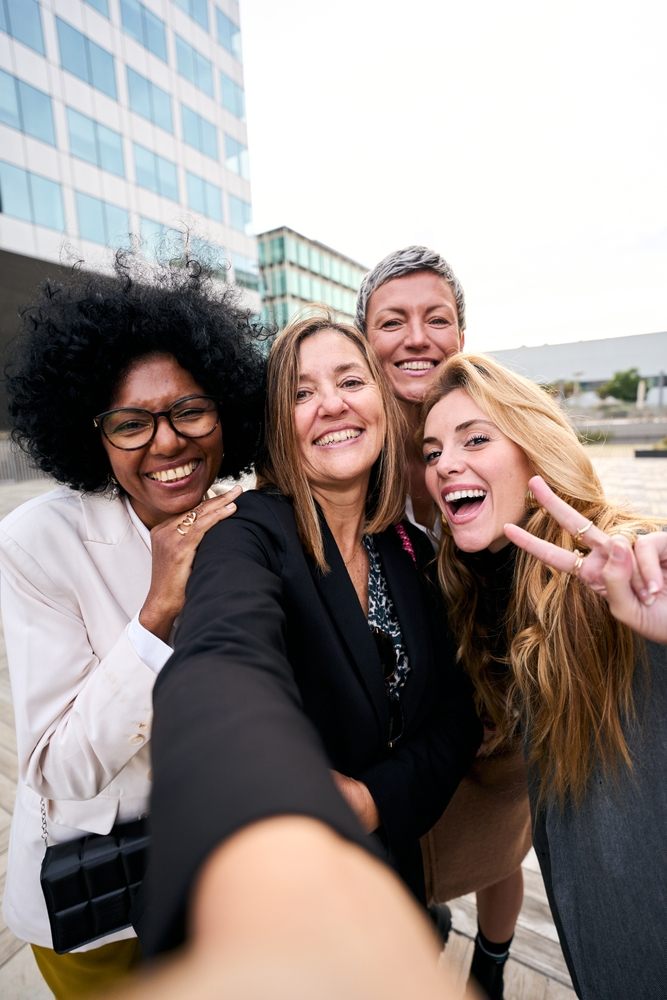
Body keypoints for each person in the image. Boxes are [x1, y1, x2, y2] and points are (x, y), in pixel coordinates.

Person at [138, 313, 482, 956]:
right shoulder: (247, 535)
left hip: (393, 889)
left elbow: (458, 716)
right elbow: (222, 658)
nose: (330, 404)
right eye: (300, 393)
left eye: (350, 380)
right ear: (276, 424)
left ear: (380, 402)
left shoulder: (408, 548)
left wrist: (374, 798)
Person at [0, 253, 264, 998]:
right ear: (93, 435)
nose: (168, 442)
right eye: (130, 423)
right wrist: (156, 613)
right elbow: (58, 767)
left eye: (190, 409)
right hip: (102, 911)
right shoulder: (36, 542)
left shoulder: (246, 519)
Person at [421, 352, 666, 1000]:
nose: (444, 463)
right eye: (431, 450)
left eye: (475, 438)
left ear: (535, 448)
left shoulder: (626, 567)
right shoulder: (492, 595)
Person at [357, 247, 529, 999]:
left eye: (438, 318)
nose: (416, 337)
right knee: (413, 852)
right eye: (392, 322)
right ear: (367, 340)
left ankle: (491, 964)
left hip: (502, 703)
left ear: (463, 333)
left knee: (501, 856)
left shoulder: (499, 417)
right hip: (405, 714)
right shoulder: (349, 448)